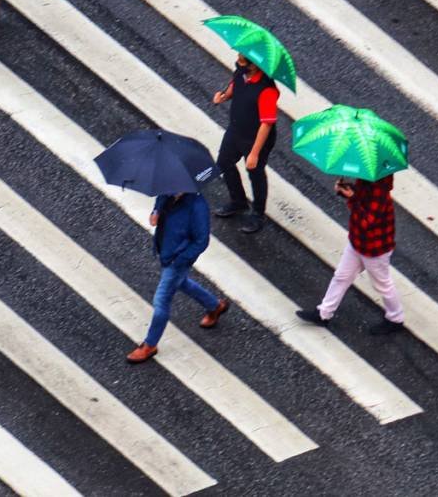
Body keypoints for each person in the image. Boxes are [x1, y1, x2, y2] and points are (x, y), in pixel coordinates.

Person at [127, 192, 230, 364]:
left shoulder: (197, 206)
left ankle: (150, 345)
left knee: (161, 300)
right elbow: (160, 200)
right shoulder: (169, 192)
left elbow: (201, 241)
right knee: (181, 283)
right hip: (166, 251)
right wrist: (156, 212)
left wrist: (180, 259)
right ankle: (215, 305)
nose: (170, 189)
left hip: (177, 260)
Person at [296, 176, 406, 335]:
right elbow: (360, 199)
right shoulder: (367, 181)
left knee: (382, 284)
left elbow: (366, 222)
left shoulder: (379, 193)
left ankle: (396, 318)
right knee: (341, 276)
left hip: (374, 249)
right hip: (358, 242)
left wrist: (352, 198)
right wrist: (347, 190)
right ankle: (323, 313)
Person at [211, 54, 280, 234]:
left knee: (255, 173)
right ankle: (238, 201)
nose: (238, 62)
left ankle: (258, 213)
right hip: (236, 131)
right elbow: (235, 86)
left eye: (243, 60)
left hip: (255, 139)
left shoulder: (267, 91)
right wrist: (224, 97)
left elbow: (266, 124)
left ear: (255, 64)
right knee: (224, 163)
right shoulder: (241, 74)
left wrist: (254, 153)